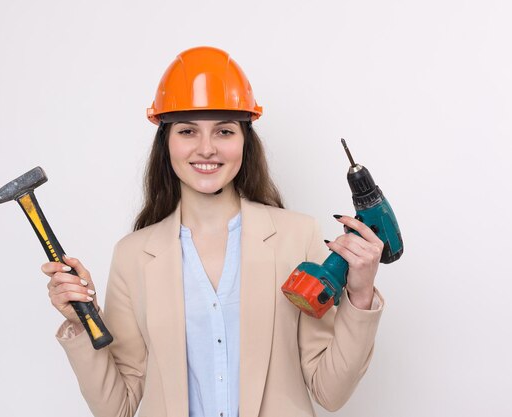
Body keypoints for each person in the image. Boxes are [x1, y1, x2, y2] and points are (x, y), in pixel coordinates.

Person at [41, 46, 384, 417]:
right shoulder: (133, 255)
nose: (207, 149)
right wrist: (80, 323)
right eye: (188, 131)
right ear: (166, 143)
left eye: (224, 131)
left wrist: (361, 294)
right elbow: (117, 407)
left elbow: (329, 392)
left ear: (244, 141)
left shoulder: (296, 236)